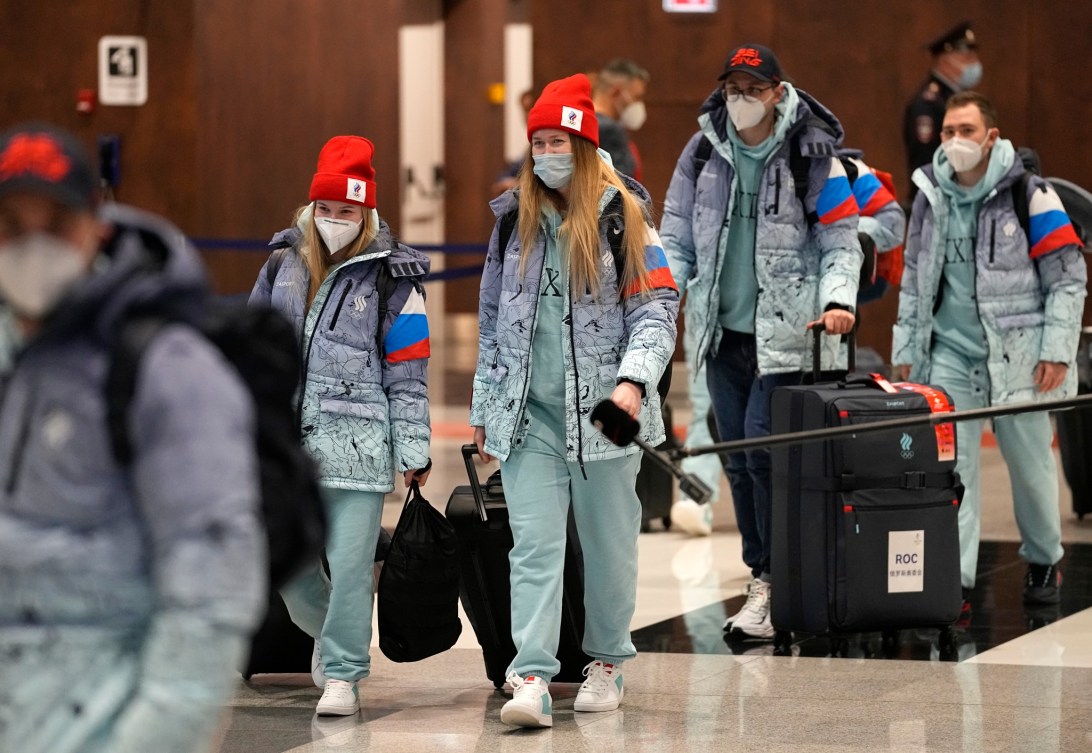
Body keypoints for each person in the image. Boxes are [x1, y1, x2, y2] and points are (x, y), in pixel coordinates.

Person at [0, 123, 266, 752]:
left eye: (55, 225)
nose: (32, 247)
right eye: (11, 226)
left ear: (97, 225)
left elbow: (212, 592)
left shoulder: (166, 367)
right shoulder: (14, 359)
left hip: (106, 724)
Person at [471, 73, 679, 729]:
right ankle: (530, 673)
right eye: (538, 141)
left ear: (583, 145)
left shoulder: (627, 217)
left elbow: (656, 313)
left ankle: (607, 662)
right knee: (531, 545)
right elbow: (489, 322)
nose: (545, 152)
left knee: (609, 543)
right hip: (528, 415)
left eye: (557, 140)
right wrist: (486, 404)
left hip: (606, 420)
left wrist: (631, 382)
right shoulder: (513, 225)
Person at [660, 43, 863, 640]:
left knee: (761, 450)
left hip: (787, 336)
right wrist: (664, 293)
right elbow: (675, 235)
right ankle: (765, 579)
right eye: (732, 87)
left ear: (777, 92)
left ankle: (773, 583)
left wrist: (838, 300)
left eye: (752, 88)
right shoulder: (702, 150)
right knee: (739, 462)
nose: (740, 98)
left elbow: (841, 239)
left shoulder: (813, 153)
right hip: (721, 334)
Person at [249, 135, 432, 717]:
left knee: (352, 568)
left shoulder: (393, 278)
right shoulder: (281, 263)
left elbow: (409, 371)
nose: (333, 221)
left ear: (366, 213)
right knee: (287, 568)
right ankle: (335, 640)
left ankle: (344, 674)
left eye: (346, 212)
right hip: (287, 450)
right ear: (311, 208)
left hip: (358, 445)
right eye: (325, 209)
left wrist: (414, 448)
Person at [891, 91, 1086, 610]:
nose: (955, 141)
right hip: (951, 356)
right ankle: (957, 580)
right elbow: (913, 282)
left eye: (967, 131)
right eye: (949, 131)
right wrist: (907, 350)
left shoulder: (1031, 194)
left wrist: (1058, 349)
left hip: (1020, 356)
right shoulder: (929, 197)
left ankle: (1044, 560)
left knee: (1031, 470)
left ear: (992, 137)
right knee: (955, 470)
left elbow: (1068, 278)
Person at [669, 148, 905, 537]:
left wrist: (846, 234)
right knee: (709, 412)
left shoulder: (839, 167)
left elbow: (892, 219)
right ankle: (702, 500)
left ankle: (790, 541)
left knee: (775, 436)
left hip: (813, 321)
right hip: (722, 313)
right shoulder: (720, 161)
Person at [903, 21, 982, 192]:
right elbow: (925, 164)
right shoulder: (928, 105)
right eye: (968, 58)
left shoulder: (957, 98)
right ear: (946, 60)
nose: (975, 63)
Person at [590, 58, 650, 179]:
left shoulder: (581, 122)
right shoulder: (609, 130)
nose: (638, 104)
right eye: (636, 97)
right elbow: (625, 184)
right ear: (616, 92)